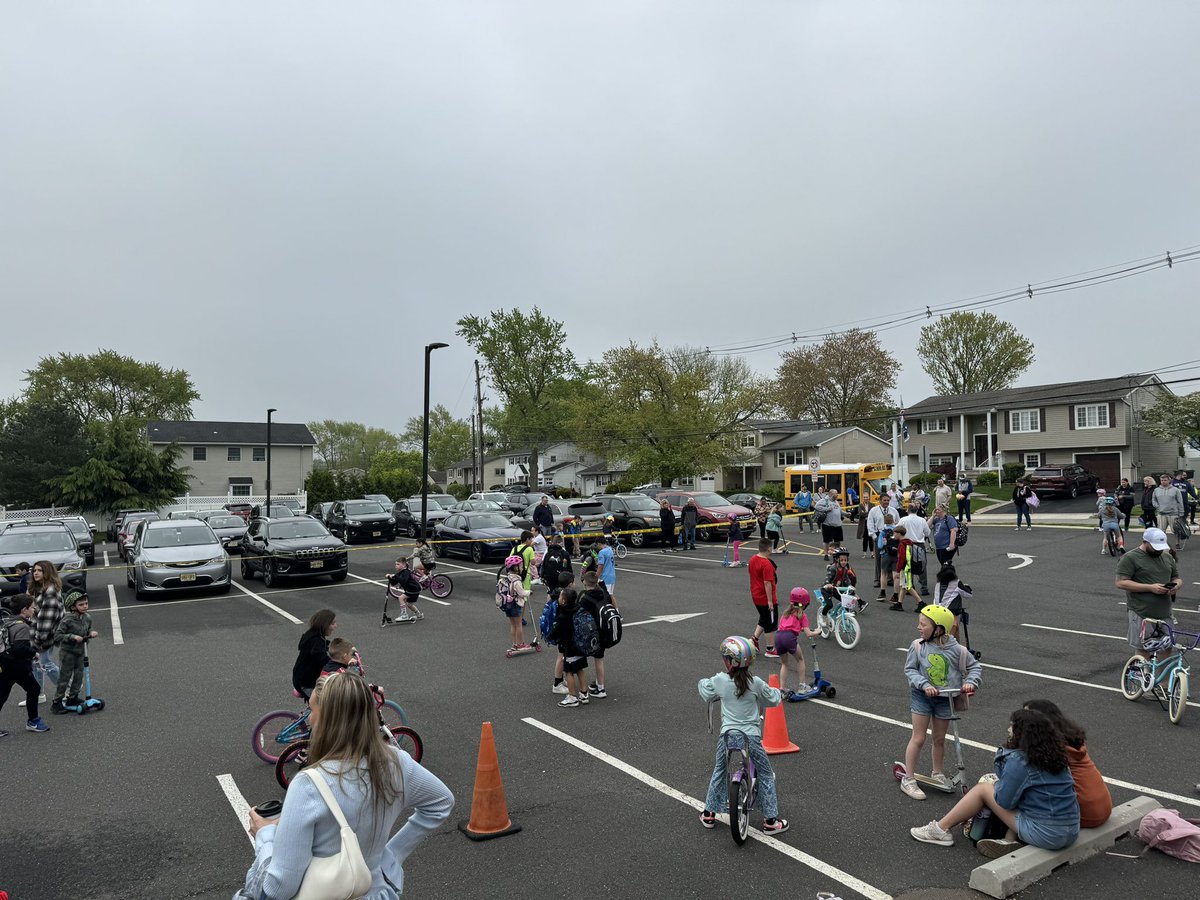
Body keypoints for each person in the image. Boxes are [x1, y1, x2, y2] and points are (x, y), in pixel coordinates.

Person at [237, 671, 455, 899]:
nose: (309, 719)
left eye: (312, 711)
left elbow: (279, 888)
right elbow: (441, 802)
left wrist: (265, 835)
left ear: (328, 720)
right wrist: (392, 855)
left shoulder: (308, 785)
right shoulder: (397, 762)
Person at [909, 708, 1079, 857]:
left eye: (1012, 725)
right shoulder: (1056, 756)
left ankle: (940, 829)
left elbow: (1004, 801)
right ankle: (1008, 840)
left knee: (983, 789)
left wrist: (998, 780)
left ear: (1022, 733)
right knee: (1018, 791)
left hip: (1047, 835)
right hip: (1071, 831)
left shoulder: (1020, 761)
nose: (1008, 728)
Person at [697, 636, 788, 834]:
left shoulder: (720, 681)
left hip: (728, 735)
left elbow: (705, 691)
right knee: (765, 772)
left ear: (728, 661)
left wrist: (705, 681)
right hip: (751, 737)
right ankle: (771, 821)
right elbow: (772, 699)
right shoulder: (755, 683)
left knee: (720, 769)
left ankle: (709, 813)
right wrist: (778, 692)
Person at [899, 605, 981, 800]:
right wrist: (924, 684)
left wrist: (970, 682)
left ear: (939, 629)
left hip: (946, 699)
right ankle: (908, 778)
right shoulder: (918, 646)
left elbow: (975, 667)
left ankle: (937, 772)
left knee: (939, 739)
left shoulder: (957, 650)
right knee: (918, 738)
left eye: (923, 624)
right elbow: (910, 670)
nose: (919, 627)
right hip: (922, 697)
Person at [1023, 699, 1112, 829]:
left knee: (1024, 794)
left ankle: (1011, 837)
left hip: (1084, 814)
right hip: (1104, 807)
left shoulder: (1048, 749)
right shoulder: (1072, 740)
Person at [1115, 528, 1181, 663]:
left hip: (1164, 612)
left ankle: (1162, 683)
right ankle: (1142, 679)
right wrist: (1150, 588)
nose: (1159, 550)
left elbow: (1176, 578)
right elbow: (1121, 583)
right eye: (1155, 547)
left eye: (1161, 547)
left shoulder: (1167, 557)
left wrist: (1176, 586)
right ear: (1145, 542)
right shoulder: (1130, 558)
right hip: (1141, 612)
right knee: (1144, 649)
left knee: (1167, 647)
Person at [0, 593, 49, 735]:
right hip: (17, 666)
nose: (34, 610)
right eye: (32, 608)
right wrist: (33, 653)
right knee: (34, 689)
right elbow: (19, 648)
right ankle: (33, 721)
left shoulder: (9, 622)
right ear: (24, 610)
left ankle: (33, 720)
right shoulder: (22, 627)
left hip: (5, 664)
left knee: (2, 695)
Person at [51, 591, 98, 714]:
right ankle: (57, 702)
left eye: (86, 603)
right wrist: (72, 636)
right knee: (64, 677)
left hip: (81, 651)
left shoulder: (87, 617)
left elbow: (88, 629)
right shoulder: (67, 620)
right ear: (73, 607)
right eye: (81, 604)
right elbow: (57, 636)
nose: (85, 606)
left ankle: (73, 697)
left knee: (79, 676)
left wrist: (91, 633)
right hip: (68, 653)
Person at [28, 560, 64, 706]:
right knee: (36, 663)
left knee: (45, 663)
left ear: (47, 572)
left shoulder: (50, 591)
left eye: (39, 570)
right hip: (37, 633)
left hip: (44, 635)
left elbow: (46, 619)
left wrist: (38, 639)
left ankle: (66, 688)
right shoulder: (38, 589)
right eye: (34, 570)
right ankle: (38, 694)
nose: (35, 573)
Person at [776, 588, 822, 698]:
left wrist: (799, 629)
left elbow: (787, 627)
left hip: (779, 636)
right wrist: (817, 631)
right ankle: (802, 686)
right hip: (789, 638)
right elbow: (809, 634)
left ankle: (781, 689)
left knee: (784, 663)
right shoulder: (802, 615)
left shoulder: (786, 613)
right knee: (800, 660)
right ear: (805, 604)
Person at [553, 588, 590, 708]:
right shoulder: (579, 609)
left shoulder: (564, 615)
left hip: (570, 647)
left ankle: (572, 696)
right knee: (580, 669)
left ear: (563, 601)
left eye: (560, 597)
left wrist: (550, 635)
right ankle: (584, 693)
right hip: (581, 645)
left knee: (569, 671)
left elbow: (556, 631)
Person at [578, 572, 611, 699]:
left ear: (585, 583)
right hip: (604, 629)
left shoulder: (585, 599)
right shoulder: (603, 593)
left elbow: (579, 612)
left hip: (593, 632)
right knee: (599, 659)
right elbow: (609, 599)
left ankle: (601, 688)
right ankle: (598, 683)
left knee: (594, 659)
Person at [293, 609, 336, 700]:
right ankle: (312, 714)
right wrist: (338, 664)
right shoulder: (315, 640)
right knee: (324, 704)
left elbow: (328, 648)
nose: (335, 626)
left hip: (307, 679)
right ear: (324, 624)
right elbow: (322, 658)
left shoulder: (316, 635)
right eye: (332, 624)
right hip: (306, 683)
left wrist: (344, 650)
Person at [747, 539, 779, 658]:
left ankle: (754, 639)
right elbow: (767, 583)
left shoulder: (752, 559)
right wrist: (770, 601)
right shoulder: (767, 564)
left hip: (755, 595)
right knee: (770, 623)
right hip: (765, 597)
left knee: (764, 618)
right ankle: (770, 649)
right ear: (769, 549)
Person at [497, 555, 531, 653]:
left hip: (507, 604)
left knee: (513, 625)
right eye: (520, 566)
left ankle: (514, 644)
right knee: (519, 624)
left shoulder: (507, 578)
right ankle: (521, 644)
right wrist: (529, 592)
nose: (521, 567)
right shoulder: (517, 581)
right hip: (515, 604)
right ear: (515, 568)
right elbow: (522, 593)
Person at [931, 563, 972, 640]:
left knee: (954, 632)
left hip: (936, 612)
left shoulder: (938, 584)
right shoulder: (957, 583)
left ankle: (956, 648)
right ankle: (951, 648)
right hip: (950, 613)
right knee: (949, 636)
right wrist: (967, 587)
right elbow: (968, 595)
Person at [898, 506, 931, 594]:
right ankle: (924, 587)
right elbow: (927, 532)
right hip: (919, 545)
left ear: (908, 510)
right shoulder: (922, 520)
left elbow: (898, 530)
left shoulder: (903, 520)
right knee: (922, 565)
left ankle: (910, 586)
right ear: (917, 511)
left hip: (907, 544)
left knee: (908, 565)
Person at [820, 547, 858, 617]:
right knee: (829, 605)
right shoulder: (833, 568)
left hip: (835, 589)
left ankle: (846, 616)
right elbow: (827, 578)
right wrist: (827, 584)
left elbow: (847, 579)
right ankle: (823, 616)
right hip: (827, 589)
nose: (844, 562)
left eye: (845, 560)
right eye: (842, 560)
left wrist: (850, 586)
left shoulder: (845, 569)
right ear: (837, 559)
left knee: (845, 602)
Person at [1152, 473, 1186, 552]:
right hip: (1161, 513)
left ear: (1169, 481)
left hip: (1173, 513)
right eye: (1161, 480)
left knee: (1176, 530)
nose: (1163, 482)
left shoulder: (1175, 490)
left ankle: (1177, 543)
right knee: (1160, 531)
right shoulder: (1156, 490)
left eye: (1165, 480)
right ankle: (1162, 544)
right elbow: (1154, 500)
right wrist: (1157, 506)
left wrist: (1181, 513)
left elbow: (1180, 502)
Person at [387, 557, 423, 624]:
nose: (396, 566)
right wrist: (390, 578)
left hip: (413, 589)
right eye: (395, 564)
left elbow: (403, 581)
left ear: (403, 565)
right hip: (414, 589)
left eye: (398, 564)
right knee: (409, 604)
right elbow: (393, 583)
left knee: (401, 598)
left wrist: (395, 576)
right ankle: (419, 614)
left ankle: (404, 615)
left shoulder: (406, 572)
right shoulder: (399, 573)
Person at [816, 489, 844, 560]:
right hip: (828, 524)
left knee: (837, 541)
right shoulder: (825, 500)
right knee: (827, 540)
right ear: (831, 494)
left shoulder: (836, 502)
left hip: (837, 524)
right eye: (836, 494)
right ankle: (826, 554)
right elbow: (817, 506)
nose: (837, 495)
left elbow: (839, 511)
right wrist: (826, 509)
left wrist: (846, 514)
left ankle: (836, 554)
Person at [878, 510, 899, 601]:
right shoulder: (897, 531)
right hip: (896, 555)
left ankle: (882, 593)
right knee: (896, 575)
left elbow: (880, 545)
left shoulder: (883, 532)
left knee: (883, 573)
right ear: (893, 520)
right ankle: (895, 595)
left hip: (885, 554)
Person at [597, 535, 617, 604]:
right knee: (611, 595)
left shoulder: (602, 552)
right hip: (612, 575)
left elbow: (600, 566)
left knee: (605, 596)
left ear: (599, 543)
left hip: (605, 577)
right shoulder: (610, 549)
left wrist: (597, 576)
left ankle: (607, 611)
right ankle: (616, 610)